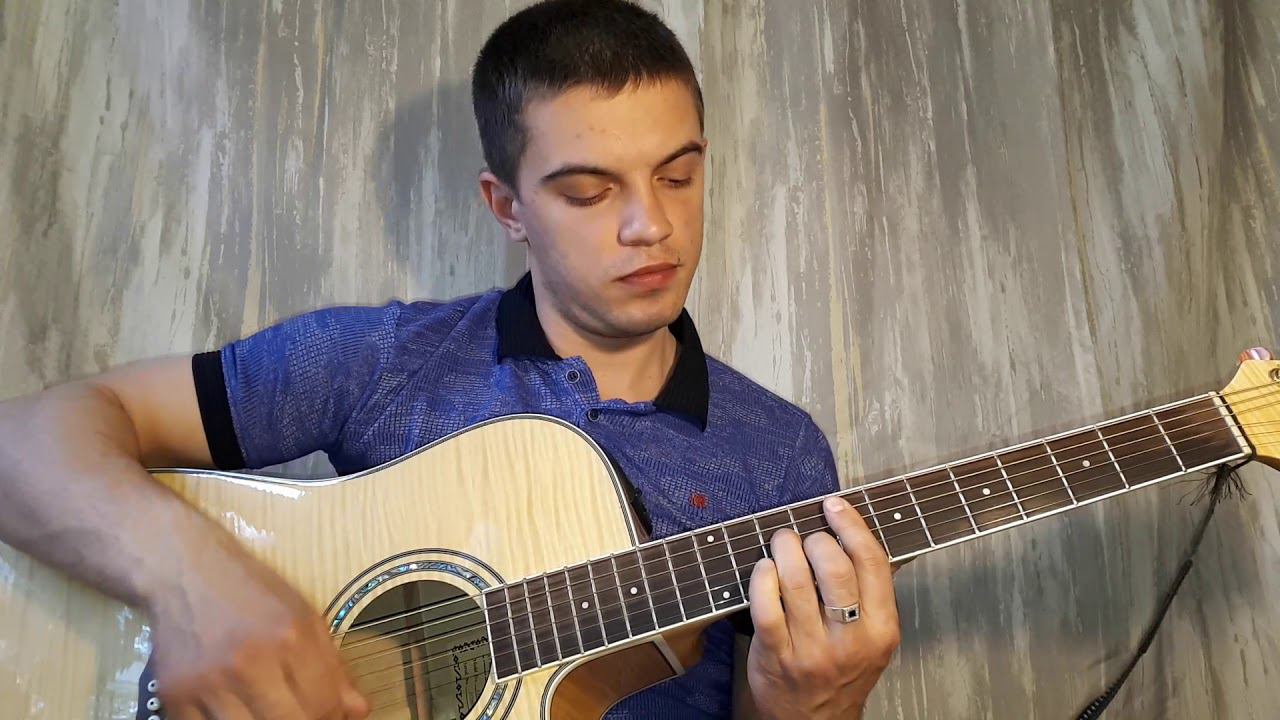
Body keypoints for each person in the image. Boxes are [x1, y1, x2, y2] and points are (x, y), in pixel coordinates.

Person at [0, 1, 900, 718]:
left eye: (678, 175)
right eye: (590, 192)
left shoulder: (780, 454)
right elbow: (26, 444)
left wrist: (811, 706)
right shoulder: (385, 359)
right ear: (507, 207)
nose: (650, 225)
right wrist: (194, 582)